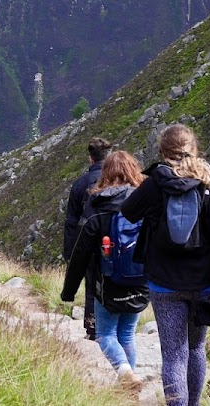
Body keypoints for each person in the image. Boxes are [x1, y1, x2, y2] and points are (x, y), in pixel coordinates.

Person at [120, 124, 210, 406]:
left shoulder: (155, 184)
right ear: (195, 149)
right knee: (196, 348)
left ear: (163, 152)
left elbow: (128, 212)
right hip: (203, 284)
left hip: (163, 284)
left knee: (174, 355)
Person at [60, 150, 149, 387]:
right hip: (140, 280)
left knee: (105, 334)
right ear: (134, 172)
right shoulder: (147, 205)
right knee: (127, 334)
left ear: (106, 173)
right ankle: (128, 381)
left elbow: (80, 253)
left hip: (106, 282)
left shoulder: (98, 206)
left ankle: (124, 373)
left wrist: (69, 291)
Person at [63, 137, 111, 340]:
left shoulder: (80, 184)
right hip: (116, 241)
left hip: (89, 243)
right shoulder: (120, 180)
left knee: (92, 285)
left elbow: (72, 222)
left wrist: (70, 253)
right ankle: (116, 325)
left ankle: (93, 328)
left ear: (90, 158)